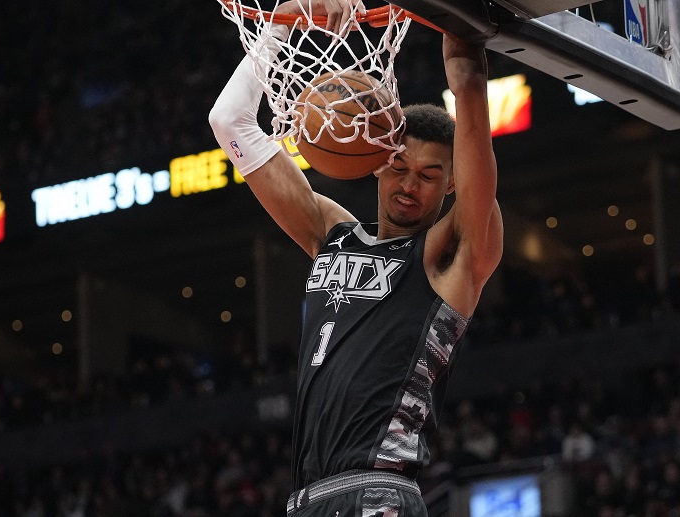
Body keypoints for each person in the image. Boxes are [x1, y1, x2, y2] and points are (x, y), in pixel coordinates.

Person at [208, 0, 503, 514]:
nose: (410, 184)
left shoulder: (447, 256)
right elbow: (228, 120)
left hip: (379, 493)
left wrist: (467, 77)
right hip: (305, 501)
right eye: (399, 167)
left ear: (451, 182)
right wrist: (282, 23)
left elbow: (479, 164)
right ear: (374, 163)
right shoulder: (331, 233)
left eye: (430, 175)